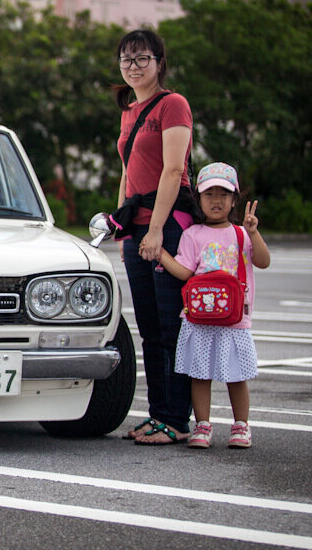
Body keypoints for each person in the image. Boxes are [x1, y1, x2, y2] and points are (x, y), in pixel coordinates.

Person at [113, 29, 198, 445]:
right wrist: (121, 222)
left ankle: (177, 420)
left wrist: (157, 230)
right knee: (148, 328)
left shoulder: (173, 105)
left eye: (142, 59)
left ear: (159, 62)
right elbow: (127, 171)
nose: (134, 67)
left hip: (168, 225)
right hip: (136, 228)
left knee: (171, 327)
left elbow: (171, 170)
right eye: (126, 60)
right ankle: (158, 414)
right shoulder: (129, 111)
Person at [158, 162, 271, 449]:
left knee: (237, 376)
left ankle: (241, 426)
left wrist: (254, 233)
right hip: (200, 318)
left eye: (224, 194)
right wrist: (160, 254)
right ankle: (203, 425)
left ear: (234, 199)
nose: (217, 200)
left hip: (234, 320)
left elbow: (263, 261)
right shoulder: (193, 234)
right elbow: (184, 271)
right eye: (209, 194)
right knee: (200, 375)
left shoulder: (241, 234)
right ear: (198, 199)